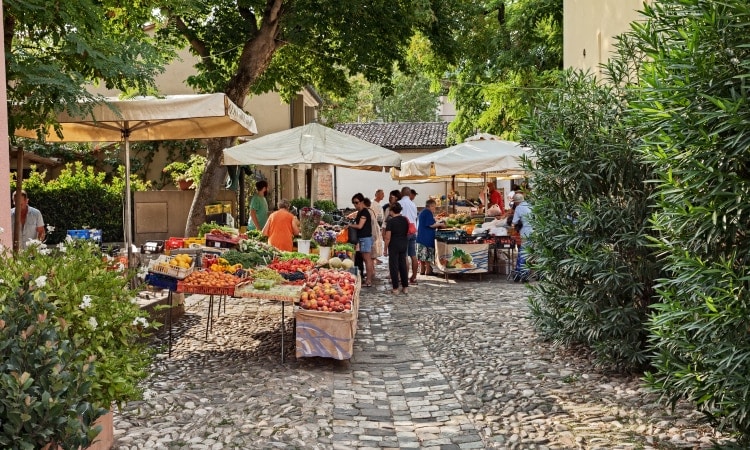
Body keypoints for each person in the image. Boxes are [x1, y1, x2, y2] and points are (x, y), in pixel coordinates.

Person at [383, 202, 410, 294]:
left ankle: (395, 288)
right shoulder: (405, 220)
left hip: (394, 245)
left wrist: (385, 249)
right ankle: (405, 287)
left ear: (391, 211)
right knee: (403, 265)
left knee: (394, 266)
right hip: (403, 243)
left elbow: (387, 237)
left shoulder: (391, 222)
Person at [349, 193, 375, 287]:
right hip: (363, 238)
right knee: (365, 258)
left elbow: (360, 226)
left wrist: (349, 225)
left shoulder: (364, 212)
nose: (355, 205)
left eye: (356, 202)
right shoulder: (360, 212)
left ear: (362, 201)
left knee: (367, 259)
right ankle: (368, 279)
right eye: (353, 203)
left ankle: (368, 281)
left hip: (365, 238)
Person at [416, 199, 445, 276]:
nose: (434, 209)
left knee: (422, 255)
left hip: (421, 236)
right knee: (427, 255)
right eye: (434, 207)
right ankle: (428, 270)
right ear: (430, 206)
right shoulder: (428, 212)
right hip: (427, 237)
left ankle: (422, 270)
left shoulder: (423, 212)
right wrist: (440, 224)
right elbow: (431, 225)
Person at [398, 186, 419, 284]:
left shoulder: (400, 203)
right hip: (413, 230)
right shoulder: (413, 204)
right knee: (413, 255)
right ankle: (414, 276)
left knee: (404, 256)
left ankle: (404, 277)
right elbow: (414, 217)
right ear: (409, 194)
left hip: (404, 231)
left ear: (402, 193)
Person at [511, 193, 533, 281]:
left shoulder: (519, 208)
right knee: (529, 253)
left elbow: (514, 221)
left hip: (525, 232)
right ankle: (524, 272)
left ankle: (521, 273)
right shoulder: (530, 206)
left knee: (523, 253)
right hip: (534, 232)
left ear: (516, 202)